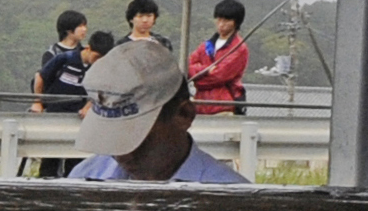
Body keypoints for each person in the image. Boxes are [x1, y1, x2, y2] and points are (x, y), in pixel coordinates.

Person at [73, 37, 244, 185]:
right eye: (111, 139)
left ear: (184, 115)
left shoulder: (234, 202)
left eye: (137, 138)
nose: (123, 155)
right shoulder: (82, 180)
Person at [33, 9, 92, 180]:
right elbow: (42, 78)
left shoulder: (86, 53)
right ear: (68, 29)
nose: (84, 30)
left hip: (78, 112)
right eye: (80, 26)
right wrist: (39, 102)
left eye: (85, 26)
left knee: (76, 158)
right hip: (55, 109)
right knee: (51, 156)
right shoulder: (52, 53)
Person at [188, 0, 252, 119]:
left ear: (236, 22)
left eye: (226, 20)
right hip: (200, 106)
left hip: (223, 107)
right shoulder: (206, 45)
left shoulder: (239, 48)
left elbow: (219, 76)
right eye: (219, 19)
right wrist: (207, 70)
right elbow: (187, 66)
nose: (221, 24)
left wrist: (196, 78)